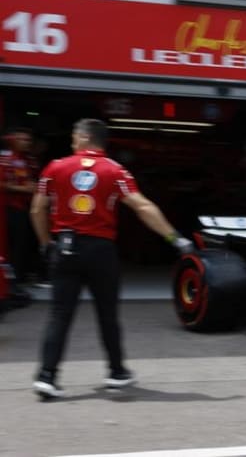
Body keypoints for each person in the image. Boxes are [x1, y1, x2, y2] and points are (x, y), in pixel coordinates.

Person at [30, 118, 195, 399]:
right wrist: (174, 238)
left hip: (65, 248)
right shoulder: (116, 170)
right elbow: (141, 206)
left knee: (59, 316)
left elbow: (37, 209)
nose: (72, 141)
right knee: (107, 315)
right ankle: (117, 372)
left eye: (73, 136)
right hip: (100, 251)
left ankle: (47, 376)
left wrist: (47, 244)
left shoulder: (55, 167)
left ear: (83, 138)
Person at [1, 127, 41, 287]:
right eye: (22, 139)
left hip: (27, 209)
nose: (26, 143)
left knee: (24, 245)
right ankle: (10, 281)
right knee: (11, 246)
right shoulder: (4, 159)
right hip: (9, 209)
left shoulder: (29, 160)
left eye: (28, 140)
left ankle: (19, 278)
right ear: (12, 139)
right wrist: (22, 189)